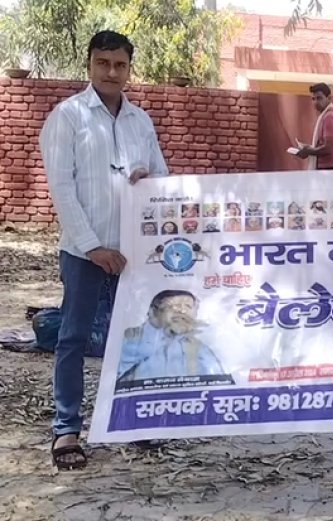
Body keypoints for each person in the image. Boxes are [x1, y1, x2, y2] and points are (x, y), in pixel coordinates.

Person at [40, 30, 168, 470]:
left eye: (119, 65)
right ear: (90, 65)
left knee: (135, 336)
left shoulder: (141, 122)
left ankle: (132, 420)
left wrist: (148, 180)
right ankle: (66, 429)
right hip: (84, 253)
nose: (111, 72)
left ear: (129, 69)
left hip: (134, 254)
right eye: (103, 63)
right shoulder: (68, 116)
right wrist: (93, 246)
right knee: (73, 338)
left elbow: (163, 181)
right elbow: (62, 189)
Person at [117, 290, 225, 384]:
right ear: (153, 311)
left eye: (188, 306)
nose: (182, 311)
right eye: (171, 306)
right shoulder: (132, 338)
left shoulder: (198, 348)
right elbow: (112, 375)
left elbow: (218, 382)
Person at [296, 83, 333, 170]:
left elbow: (328, 148)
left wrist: (308, 151)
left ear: (329, 98)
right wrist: (309, 148)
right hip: (330, 167)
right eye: (313, 99)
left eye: (319, 98)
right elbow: (324, 145)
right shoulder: (327, 116)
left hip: (330, 168)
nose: (316, 102)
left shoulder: (329, 117)